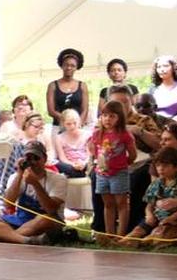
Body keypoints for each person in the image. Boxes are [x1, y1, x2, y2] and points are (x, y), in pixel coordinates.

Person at [89, 86, 162, 235]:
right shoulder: (103, 123)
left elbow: (159, 144)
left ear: (132, 101)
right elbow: (93, 146)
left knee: (139, 176)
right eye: (116, 103)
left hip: (138, 163)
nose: (120, 107)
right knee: (95, 178)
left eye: (124, 102)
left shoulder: (143, 119)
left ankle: (131, 226)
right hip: (106, 166)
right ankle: (101, 228)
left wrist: (139, 131)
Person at [0, 141, 67, 244]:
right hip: (20, 220)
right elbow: (8, 204)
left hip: (44, 221)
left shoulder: (59, 179)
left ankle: (4, 236)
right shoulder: (16, 177)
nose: (32, 162)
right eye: (28, 158)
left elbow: (51, 209)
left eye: (36, 158)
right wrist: (19, 174)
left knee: (44, 219)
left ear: (44, 159)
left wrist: (36, 184)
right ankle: (25, 240)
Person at [117, 147, 177, 249]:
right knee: (140, 228)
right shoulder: (157, 183)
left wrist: (172, 218)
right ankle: (123, 241)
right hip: (158, 218)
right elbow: (149, 205)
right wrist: (149, 215)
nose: (160, 169)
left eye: (165, 166)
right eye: (158, 165)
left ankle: (142, 243)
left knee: (162, 232)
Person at [90, 100, 136, 241]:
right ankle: (110, 234)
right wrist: (97, 162)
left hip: (119, 173)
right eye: (105, 116)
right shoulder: (97, 134)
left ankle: (121, 235)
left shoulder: (124, 135)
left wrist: (123, 164)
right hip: (102, 173)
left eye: (112, 116)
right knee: (108, 204)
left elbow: (132, 154)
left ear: (119, 118)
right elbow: (93, 150)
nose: (107, 119)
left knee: (121, 203)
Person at [46, 48, 89, 128]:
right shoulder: (52, 85)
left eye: (72, 66)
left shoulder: (82, 85)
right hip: (58, 127)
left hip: (77, 127)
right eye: (66, 64)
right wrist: (67, 121)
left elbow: (85, 109)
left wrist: (79, 123)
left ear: (76, 67)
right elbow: (51, 111)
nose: (69, 68)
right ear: (62, 66)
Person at [149, 55, 177, 124]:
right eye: (159, 67)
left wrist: (167, 126)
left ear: (174, 68)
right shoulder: (153, 89)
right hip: (156, 128)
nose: (162, 69)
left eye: (166, 66)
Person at [53, 109, 90, 178]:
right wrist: (73, 164)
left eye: (75, 123)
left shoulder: (87, 135)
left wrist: (84, 163)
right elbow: (62, 158)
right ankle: (79, 173)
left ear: (79, 122)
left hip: (85, 163)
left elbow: (89, 155)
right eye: (68, 124)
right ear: (63, 124)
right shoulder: (59, 138)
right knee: (58, 165)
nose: (72, 126)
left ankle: (81, 173)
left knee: (92, 166)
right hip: (69, 165)